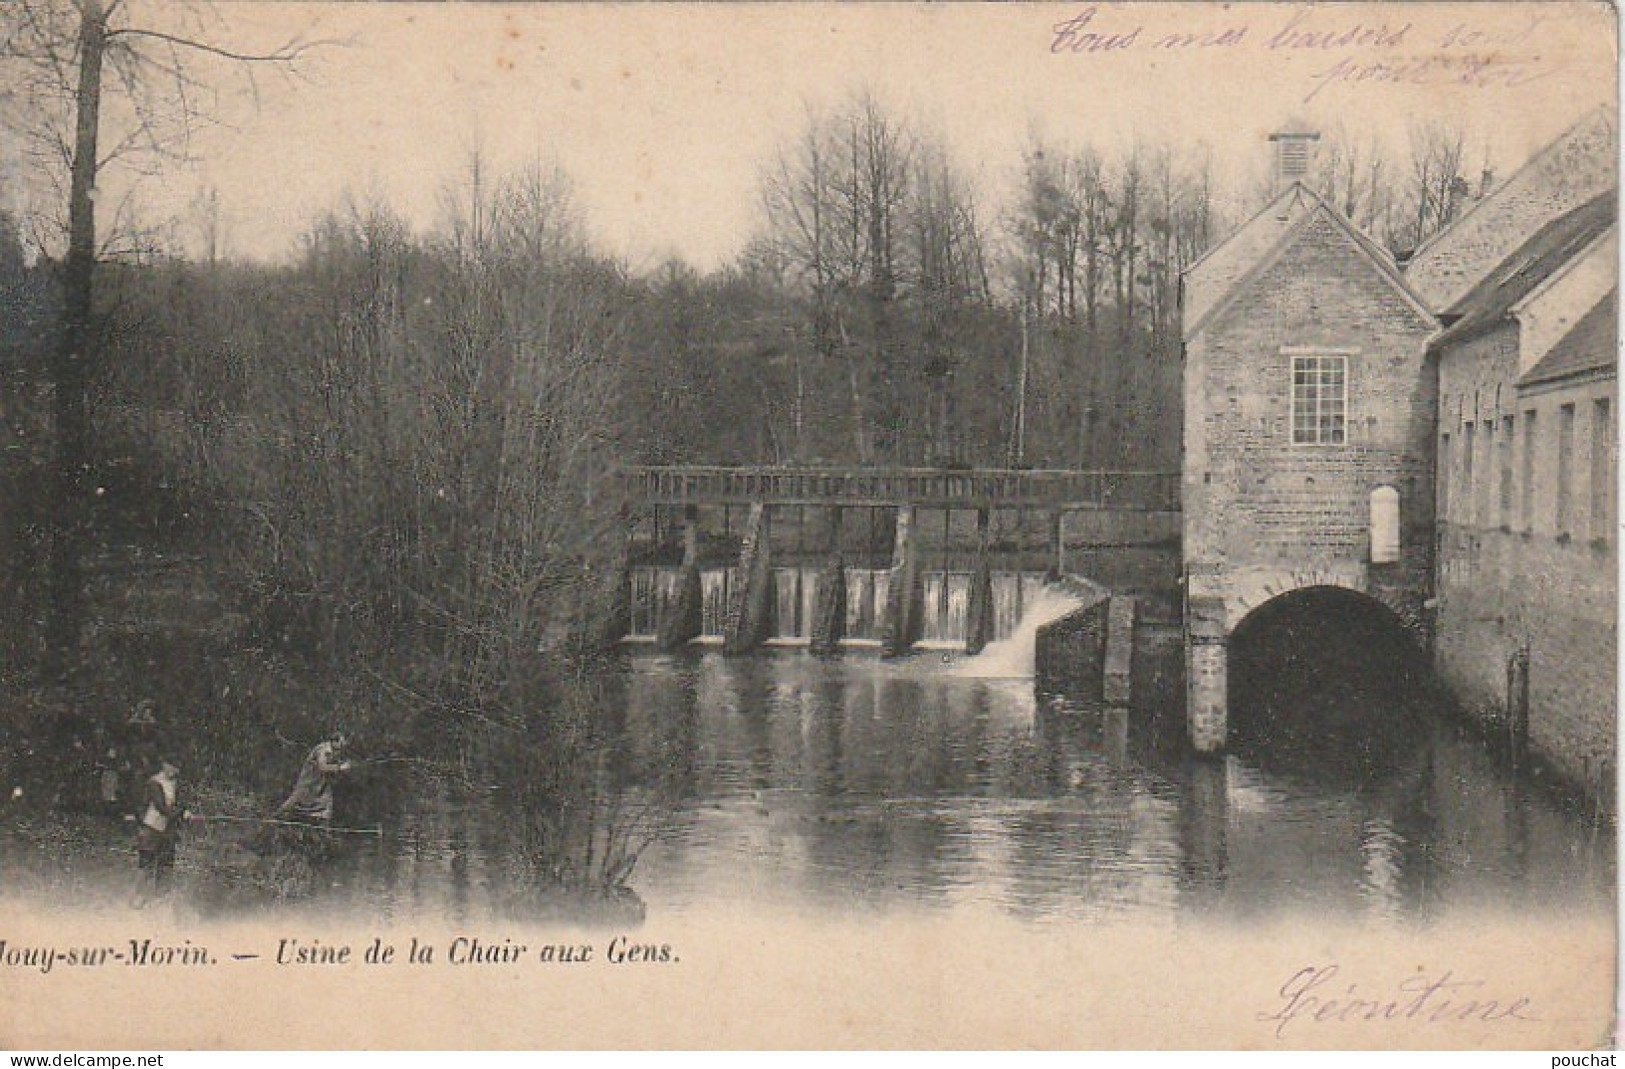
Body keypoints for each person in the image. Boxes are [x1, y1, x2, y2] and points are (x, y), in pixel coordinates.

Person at [133, 757, 186, 906]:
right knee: (146, 863)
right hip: (151, 828)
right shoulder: (154, 782)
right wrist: (180, 812)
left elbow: (180, 801)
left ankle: (161, 896)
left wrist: (184, 811)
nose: (174, 771)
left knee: (166, 863)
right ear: (164, 765)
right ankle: (139, 896)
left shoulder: (176, 784)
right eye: (172, 767)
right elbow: (161, 807)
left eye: (177, 769)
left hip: (168, 829)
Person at [275, 733, 352, 825]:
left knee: (326, 805)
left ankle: (322, 829)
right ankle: (275, 818)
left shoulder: (335, 751)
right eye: (341, 743)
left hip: (321, 783)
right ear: (334, 741)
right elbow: (322, 767)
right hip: (309, 781)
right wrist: (340, 767)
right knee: (295, 800)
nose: (342, 746)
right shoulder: (323, 750)